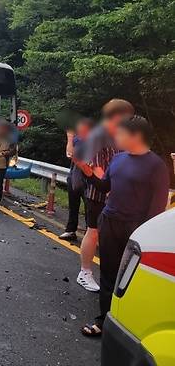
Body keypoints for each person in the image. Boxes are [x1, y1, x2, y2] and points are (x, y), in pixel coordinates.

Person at [74, 115, 169, 337]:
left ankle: (129, 323)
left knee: (131, 278)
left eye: (121, 133)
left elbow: (155, 210)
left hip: (135, 228)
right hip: (109, 222)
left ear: (136, 136)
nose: (116, 137)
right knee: (107, 273)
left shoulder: (157, 166)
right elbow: (104, 185)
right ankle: (103, 320)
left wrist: (145, 236)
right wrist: (87, 171)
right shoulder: (118, 159)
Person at [76, 99, 135, 292]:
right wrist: (110, 189)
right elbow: (96, 167)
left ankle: (112, 275)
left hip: (118, 192)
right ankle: (85, 272)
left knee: (113, 235)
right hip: (98, 192)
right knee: (93, 231)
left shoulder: (119, 135)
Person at [59, 118, 94, 241]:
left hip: (87, 176)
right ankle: (70, 230)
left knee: (89, 206)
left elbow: (71, 153)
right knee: (73, 204)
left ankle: (89, 233)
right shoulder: (77, 139)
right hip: (74, 174)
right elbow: (69, 154)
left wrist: (69, 138)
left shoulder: (90, 141)